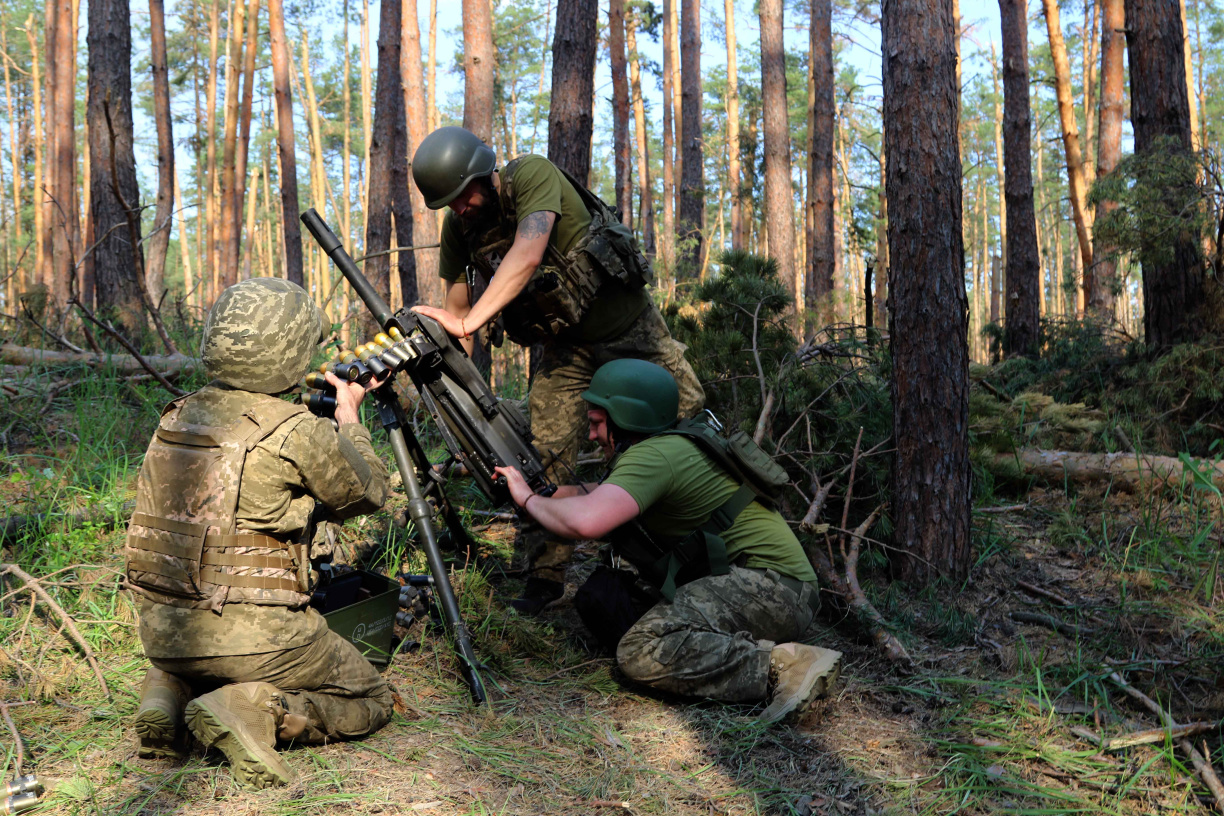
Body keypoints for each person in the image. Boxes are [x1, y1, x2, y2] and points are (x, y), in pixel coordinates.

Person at [410, 126, 705, 614]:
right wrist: (450, 333)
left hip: (633, 332)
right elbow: (456, 304)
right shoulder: (460, 227)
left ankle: (691, 548)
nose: (459, 208)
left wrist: (469, 319)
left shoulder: (531, 175)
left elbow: (528, 254)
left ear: (483, 174)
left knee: (685, 425)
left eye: (462, 196)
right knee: (542, 454)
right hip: (564, 348)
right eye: (449, 203)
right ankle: (544, 577)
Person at [125, 278, 394, 790]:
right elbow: (368, 493)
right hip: (256, 640)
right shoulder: (294, 430)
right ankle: (254, 708)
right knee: (372, 697)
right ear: (290, 349)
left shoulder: (175, 416)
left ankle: (166, 689)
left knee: (207, 649)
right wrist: (349, 416)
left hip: (163, 632)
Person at [493, 359, 842, 722]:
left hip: (775, 589)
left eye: (596, 423)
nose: (592, 435)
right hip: (777, 587)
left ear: (625, 418)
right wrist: (541, 492)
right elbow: (600, 493)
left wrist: (528, 500)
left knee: (641, 649)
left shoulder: (654, 456)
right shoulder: (666, 446)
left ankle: (782, 666)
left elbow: (586, 522)